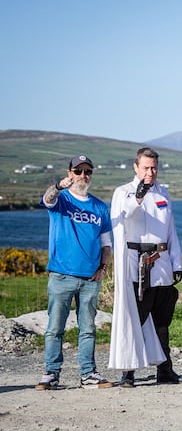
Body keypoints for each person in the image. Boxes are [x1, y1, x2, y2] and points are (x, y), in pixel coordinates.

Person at [35, 155, 113, 390]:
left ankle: (88, 374)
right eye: (78, 171)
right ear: (70, 173)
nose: (83, 176)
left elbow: (106, 244)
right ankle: (51, 373)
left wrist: (103, 268)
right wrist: (59, 186)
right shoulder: (62, 200)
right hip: (61, 275)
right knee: (55, 328)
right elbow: (47, 199)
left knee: (88, 328)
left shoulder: (99, 207)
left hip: (90, 279)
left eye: (87, 171)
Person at [108, 147, 182, 388]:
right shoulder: (124, 192)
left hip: (161, 262)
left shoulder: (163, 193)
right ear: (136, 167)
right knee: (136, 317)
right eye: (146, 168)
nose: (150, 173)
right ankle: (128, 372)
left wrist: (176, 262)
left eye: (154, 168)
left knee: (162, 319)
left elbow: (171, 229)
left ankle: (165, 368)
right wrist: (139, 196)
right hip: (136, 263)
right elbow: (122, 216)